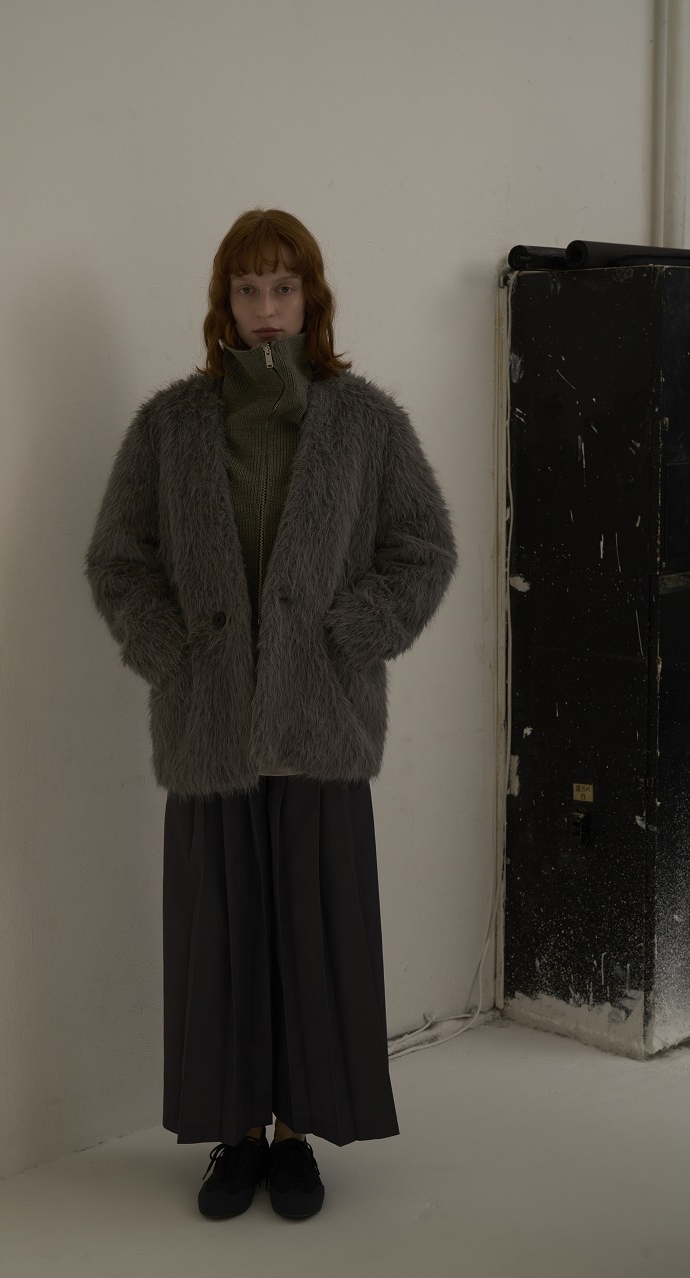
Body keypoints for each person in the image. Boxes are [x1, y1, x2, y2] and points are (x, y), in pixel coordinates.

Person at [84, 208, 457, 1220]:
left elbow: (423, 548)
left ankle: (296, 1139)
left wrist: (349, 636)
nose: (264, 307)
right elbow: (119, 559)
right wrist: (171, 653)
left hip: (319, 727)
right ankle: (235, 1136)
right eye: (246, 289)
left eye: (282, 287)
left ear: (310, 298)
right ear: (223, 303)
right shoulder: (170, 425)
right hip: (210, 728)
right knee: (222, 943)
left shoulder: (363, 422)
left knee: (315, 941)